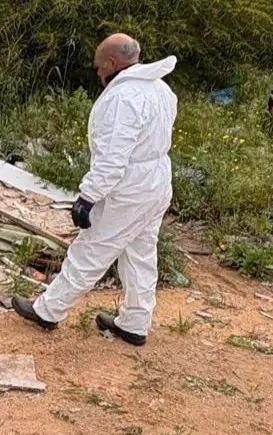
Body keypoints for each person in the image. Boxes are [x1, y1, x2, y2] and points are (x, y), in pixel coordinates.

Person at [12, 34, 178, 346]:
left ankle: (48, 311)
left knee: (92, 249)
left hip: (130, 187)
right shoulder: (161, 89)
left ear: (113, 63)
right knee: (141, 253)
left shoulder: (122, 99)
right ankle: (134, 322)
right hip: (156, 180)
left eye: (99, 67)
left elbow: (113, 158)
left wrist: (88, 196)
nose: (98, 73)